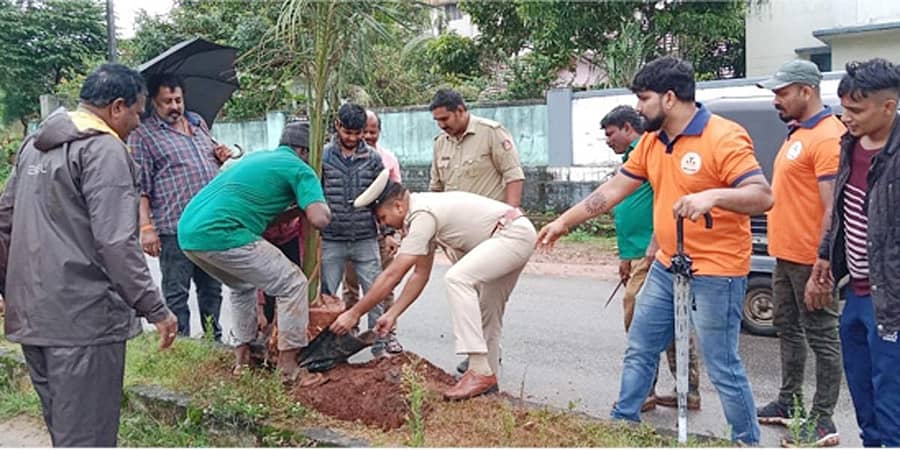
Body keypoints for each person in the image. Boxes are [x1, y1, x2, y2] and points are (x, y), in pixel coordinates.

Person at [538, 56, 772, 444]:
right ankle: (622, 423)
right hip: (667, 264)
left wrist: (713, 196)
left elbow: (762, 195)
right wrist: (564, 222)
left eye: (644, 98)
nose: (638, 107)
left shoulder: (723, 136)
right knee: (641, 346)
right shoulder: (651, 141)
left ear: (669, 98)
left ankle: (746, 440)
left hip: (718, 269)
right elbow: (614, 189)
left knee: (722, 364)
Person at [0, 63, 178, 446]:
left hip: (34, 318)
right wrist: (155, 308)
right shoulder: (104, 150)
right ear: (117, 107)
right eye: (137, 113)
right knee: (88, 437)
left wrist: (7, 291)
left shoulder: (34, 145)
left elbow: (4, 223)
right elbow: (116, 242)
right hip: (84, 321)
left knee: (66, 431)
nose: (138, 123)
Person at [329, 170, 536, 400]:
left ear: (398, 206)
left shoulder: (421, 214)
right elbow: (420, 274)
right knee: (488, 312)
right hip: (510, 235)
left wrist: (354, 313)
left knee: (457, 278)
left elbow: (393, 275)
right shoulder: (421, 213)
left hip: (510, 235)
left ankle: (479, 371)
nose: (383, 226)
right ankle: (487, 384)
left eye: (383, 218)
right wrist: (393, 313)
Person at [176, 120, 332, 386]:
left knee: (242, 286)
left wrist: (296, 210)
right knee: (293, 283)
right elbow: (319, 219)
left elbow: (263, 216)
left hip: (189, 233)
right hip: (223, 232)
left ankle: (242, 361)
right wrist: (323, 205)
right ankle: (289, 371)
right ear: (305, 151)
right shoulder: (300, 169)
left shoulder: (258, 158)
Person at [754, 60, 844, 447]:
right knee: (788, 330)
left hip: (812, 261)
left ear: (806, 91)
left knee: (823, 338)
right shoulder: (799, 134)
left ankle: (823, 419)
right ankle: (789, 402)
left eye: (782, 92)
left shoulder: (827, 137)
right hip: (785, 256)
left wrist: (824, 264)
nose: (776, 100)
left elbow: (834, 208)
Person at [811, 58, 900, 447]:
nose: (846, 117)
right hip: (858, 293)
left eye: (857, 110)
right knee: (864, 395)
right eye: (844, 107)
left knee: (892, 401)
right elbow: (842, 209)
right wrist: (825, 256)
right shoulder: (850, 145)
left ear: (889, 106)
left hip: (892, 301)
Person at [601, 105, 702, 413]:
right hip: (637, 252)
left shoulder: (649, 152)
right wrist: (625, 257)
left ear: (628, 128)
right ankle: (686, 391)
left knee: (640, 319)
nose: (607, 140)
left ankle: (644, 391)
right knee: (669, 321)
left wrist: (653, 244)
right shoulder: (631, 159)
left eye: (611, 133)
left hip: (655, 252)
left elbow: (667, 198)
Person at [128, 74, 233, 341]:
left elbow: (207, 163)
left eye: (178, 100)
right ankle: (180, 344)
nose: (174, 106)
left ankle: (213, 341)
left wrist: (219, 156)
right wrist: (146, 227)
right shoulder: (144, 135)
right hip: (174, 227)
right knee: (177, 292)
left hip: (209, 224)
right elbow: (140, 187)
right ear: (153, 102)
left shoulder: (198, 123)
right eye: (167, 101)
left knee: (212, 290)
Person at [429, 88, 526, 373]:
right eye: (437, 121)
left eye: (445, 119)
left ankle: (485, 359)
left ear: (461, 110)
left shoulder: (491, 133)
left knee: (488, 300)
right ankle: (481, 352)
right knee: (467, 295)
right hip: (458, 237)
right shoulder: (440, 144)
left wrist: (510, 216)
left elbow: (513, 175)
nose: (441, 125)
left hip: (492, 234)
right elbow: (436, 188)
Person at [317, 103, 388, 355]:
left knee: (375, 295)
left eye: (358, 133)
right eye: (348, 132)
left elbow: (382, 197)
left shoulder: (373, 158)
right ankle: (328, 350)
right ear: (337, 126)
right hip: (331, 238)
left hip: (365, 237)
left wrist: (388, 232)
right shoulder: (322, 157)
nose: (353, 138)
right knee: (327, 298)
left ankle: (379, 348)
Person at [342, 110, 403, 354]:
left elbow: (395, 199)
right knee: (350, 287)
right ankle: (350, 333)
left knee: (384, 285)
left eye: (372, 131)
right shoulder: (345, 159)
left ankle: (386, 335)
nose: (367, 136)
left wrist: (390, 233)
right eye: (363, 131)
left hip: (380, 235)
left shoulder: (387, 160)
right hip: (353, 234)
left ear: (379, 132)